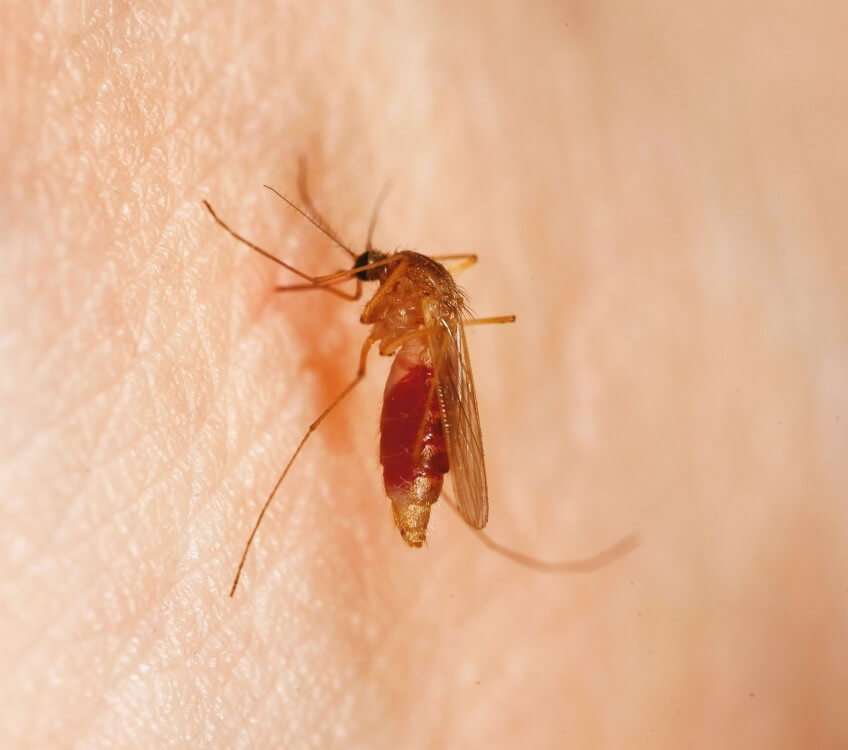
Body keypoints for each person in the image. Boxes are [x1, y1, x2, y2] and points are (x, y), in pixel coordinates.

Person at [2, 3, 846, 747]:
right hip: (428, 358)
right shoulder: (415, 286)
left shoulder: (409, 296)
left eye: (372, 272)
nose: (365, 279)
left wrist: (282, 267)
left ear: (391, 275)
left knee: (343, 387)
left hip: (425, 384)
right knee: (378, 360)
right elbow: (385, 293)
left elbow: (366, 302)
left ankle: (375, 492)